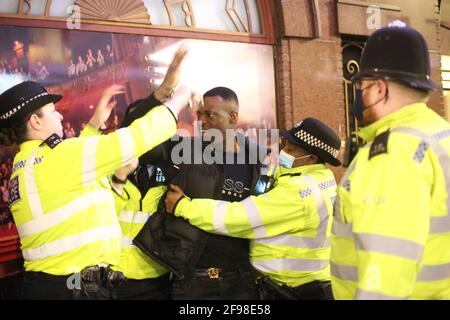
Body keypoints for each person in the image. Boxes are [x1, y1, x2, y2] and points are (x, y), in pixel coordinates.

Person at [0, 71, 190, 298]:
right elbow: (135, 138)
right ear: (35, 120)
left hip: (51, 286)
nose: (60, 117)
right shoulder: (60, 157)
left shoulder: (26, 165)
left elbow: (74, 172)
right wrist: (177, 101)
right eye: (53, 112)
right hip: (72, 289)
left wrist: (92, 126)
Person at [330, 25, 450, 299]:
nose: (359, 96)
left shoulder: (392, 151)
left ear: (380, 89)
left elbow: (386, 265)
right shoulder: (439, 133)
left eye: (361, 87)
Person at [165, 118, 340, 300]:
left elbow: (239, 217)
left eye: (290, 150)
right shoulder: (321, 179)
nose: (283, 152)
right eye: (284, 145)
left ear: (311, 158)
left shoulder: (298, 192)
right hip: (310, 284)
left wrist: (183, 206)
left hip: (297, 290)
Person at [130, 87, 269, 300]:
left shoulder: (257, 161)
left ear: (233, 117)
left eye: (210, 114)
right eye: (200, 114)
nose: (202, 120)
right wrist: (157, 100)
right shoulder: (183, 150)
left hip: (242, 280)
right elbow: (135, 142)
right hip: (193, 280)